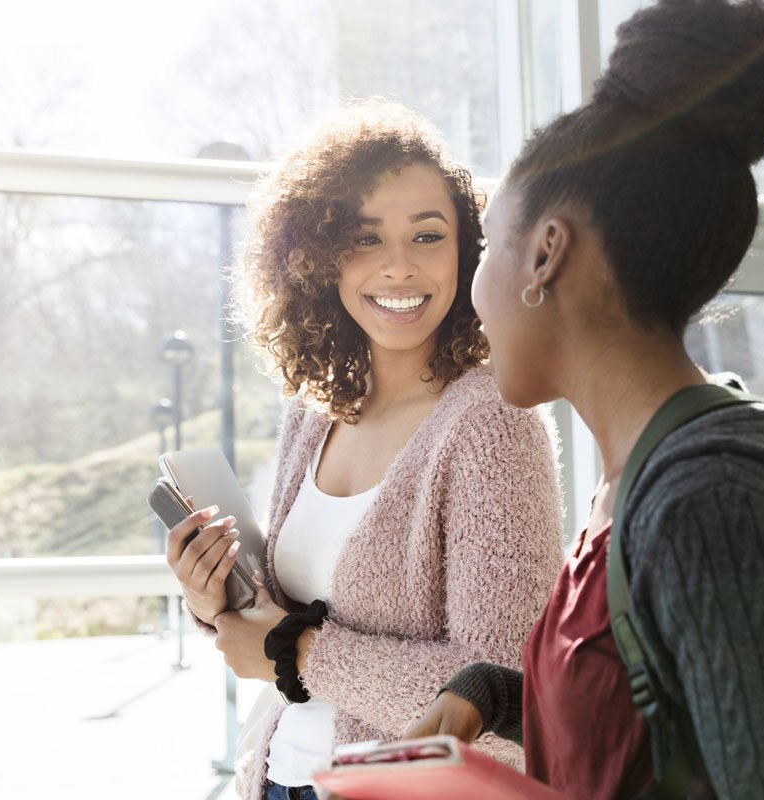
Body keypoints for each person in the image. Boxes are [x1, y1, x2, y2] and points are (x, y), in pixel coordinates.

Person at [404, 1, 764, 797]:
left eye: (485, 246)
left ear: (545, 253)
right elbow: (651, 720)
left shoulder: (714, 501)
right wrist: (487, 695)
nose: (470, 293)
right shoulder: (639, 479)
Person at [163, 100, 565, 800]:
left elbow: (506, 693)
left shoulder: (493, 424)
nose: (399, 268)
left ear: (467, 252)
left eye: (427, 236)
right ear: (319, 260)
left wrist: (297, 653)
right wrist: (214, 596)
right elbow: (281, 618)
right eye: (365, 239)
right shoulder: (312, 411)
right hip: (276, 777)